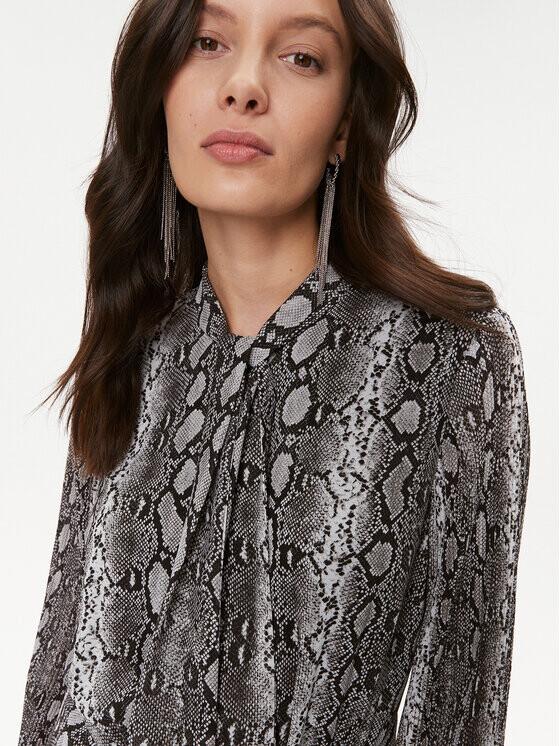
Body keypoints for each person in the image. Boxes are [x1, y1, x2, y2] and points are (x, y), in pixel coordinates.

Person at [18, 0, 531, 744]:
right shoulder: (135, 344)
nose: (244, 87)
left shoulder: (443, 359)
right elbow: (54, 687)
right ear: (158, 83)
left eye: (300, 58)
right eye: (208, 42)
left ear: (346, 123)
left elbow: (458, 705)